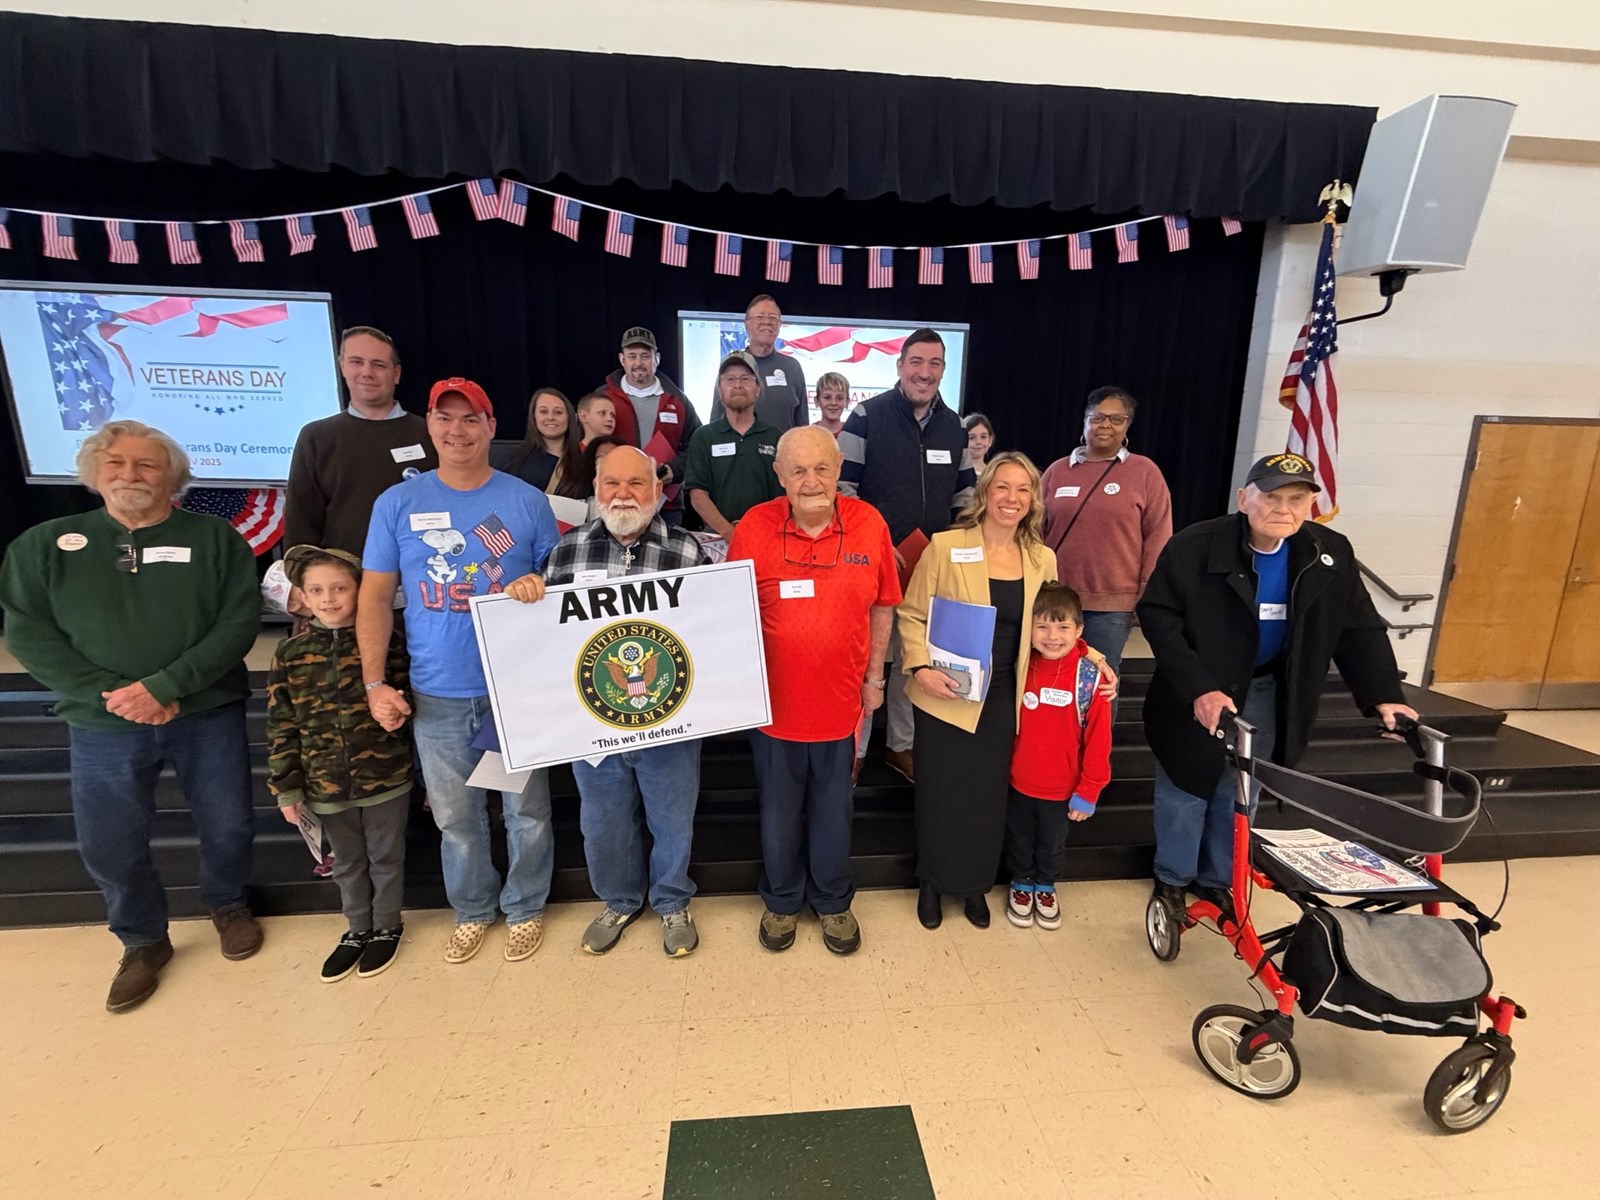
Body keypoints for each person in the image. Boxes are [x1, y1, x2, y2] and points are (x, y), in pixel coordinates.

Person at [0, 421, 263, 1012]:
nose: (130, 475)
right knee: (110, 841)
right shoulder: (44, 545)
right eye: (116, 463)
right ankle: (142, 939)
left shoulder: (216, 540)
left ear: (172, 475)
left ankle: (227, 903)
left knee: (228, 824)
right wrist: (113, 695)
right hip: (103, 722)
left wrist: (166, 685)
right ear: (93, 472)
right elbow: (28, 633)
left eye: (147, 465)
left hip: (206, 710)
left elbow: (238, 622)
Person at [1136, 452, 1417, 918]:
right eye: (1270, 497)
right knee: (1185, 788)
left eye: (1296, 498)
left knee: (1242, 788)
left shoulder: (1330, 554)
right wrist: (1199, 689)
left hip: (1270, 691)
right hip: (1198, 692)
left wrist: (1384, 695)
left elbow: (1359, 628)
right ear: (1245, 499)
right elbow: (1158, 616)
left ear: (1310, 505)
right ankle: (1171, 878)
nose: (1282, 508)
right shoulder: (1194, 546)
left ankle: (1217, 879)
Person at [358, 377, 562, 965]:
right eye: (445, 418)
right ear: (429, 426)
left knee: (525, 812)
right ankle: (473, 909)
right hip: (438, 690)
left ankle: (524, 907)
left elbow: (562, 577)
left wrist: (538, 584)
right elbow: (374, 599)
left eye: (470, 419)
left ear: (491, 428)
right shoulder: (397, 504)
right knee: (456, 817)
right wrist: (375, 683)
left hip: (512, 689)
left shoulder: (525, 501)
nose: (457, 430)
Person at [897, 452, 1112, 930]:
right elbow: (911, 615)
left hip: (1005, 699)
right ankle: (931, 882)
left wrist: (1094, 658)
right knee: (940, 793)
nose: (1011, 498)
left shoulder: (1042, 557)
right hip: (945, 692)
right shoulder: (946, 546)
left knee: (989, 799)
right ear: (985, 492)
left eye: (1022, 490)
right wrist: (920, 666)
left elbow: (1054, 625)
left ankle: (974, 886)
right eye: (1002, 487)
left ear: (1033, 500)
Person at [728, 426, 901, 955]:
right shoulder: (754, 527)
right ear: (778, 475)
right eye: (797, 470)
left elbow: (884, 605)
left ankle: (832, 901)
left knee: (833, 810)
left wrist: (875, 679)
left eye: (822, 468)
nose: (811, 481)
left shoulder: (869, 524)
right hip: (773, 708)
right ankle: (781, 901)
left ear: (839, 470)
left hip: (843, 704)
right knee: (779, 813)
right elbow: (728, 614)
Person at [533, 446, 709, 957]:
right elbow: (541, 640)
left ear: (658, 491)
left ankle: (673, 902)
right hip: (593, 724)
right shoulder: (565, 555)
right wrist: (523, 594)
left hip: (670, 720)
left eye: (637, 483)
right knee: (603, 821)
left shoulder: (688, 551)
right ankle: (619, 900)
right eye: (612, 483)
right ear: (595, 489)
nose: (624, 494)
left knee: (672, 820)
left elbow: (710, 636)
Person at [267, 546, 413, 982]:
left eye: (338, 588)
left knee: (387, 855)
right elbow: (282, 724)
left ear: (359, 591)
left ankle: (388, 924)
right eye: (316, 590)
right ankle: (356, 928)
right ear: (303, 598)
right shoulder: (289, 654)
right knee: (347, 861)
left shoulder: (388, 643)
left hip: (388, 776)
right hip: (325, 784)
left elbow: (409, 703)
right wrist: (287, 788)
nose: (328, 598)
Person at [839, 328, 975, 783]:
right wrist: (875, 546)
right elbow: (844, 493)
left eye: (934, 363)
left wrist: (954, 548)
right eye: (916, 362)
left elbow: (967, 499)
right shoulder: (866, 416)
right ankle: (854, 749)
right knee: (867, 658)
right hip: (872, 568)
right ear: (899, 366)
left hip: (929, 572)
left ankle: (901, 747)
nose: (925, 372)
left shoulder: (955, 426)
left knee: (914, 660)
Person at [1041, 387, 1172, 689]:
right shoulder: (1057, 472)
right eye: (1098, 417)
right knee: (1050, 676)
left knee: (1098, 681)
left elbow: (1158, 537)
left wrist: (1146, 592)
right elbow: (1035, 532)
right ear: (1085, 421)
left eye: (1116, 419)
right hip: (1054, 596)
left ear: (1127, 426)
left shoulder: (1144, 472)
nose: (1105, 425)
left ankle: (1095, 739)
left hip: (1112, 604)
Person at [1003, 582, 1111, 932]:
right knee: (1019, 837)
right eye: (1043, 626)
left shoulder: (1089, 677)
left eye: (1063, 627)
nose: (1052, 636)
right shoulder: (1020, 665)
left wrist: (1090, 788)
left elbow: (1098, 739)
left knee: (1051, 842)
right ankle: (1021, 882)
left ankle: (1045, 886)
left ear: (1079, 630)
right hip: (1018, 780)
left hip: (1062, 787)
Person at [285, 326, 437, 555]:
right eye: (357, 362)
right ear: (342, 366)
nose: (367, 372)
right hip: (344, 580)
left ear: (396, 374)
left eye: (378, 364)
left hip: (423, 574)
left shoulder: (432, 433)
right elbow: (301, 523)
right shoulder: (316, 437)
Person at [601, 326, 701, 525]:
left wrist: (676, 469)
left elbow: (697, 446)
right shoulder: (603, 398)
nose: (638, 363)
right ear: (622, 359)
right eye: (632, 356)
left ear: (657, 359)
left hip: (666, 506)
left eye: (645, 356)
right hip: (617, 501)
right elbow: (587, 445)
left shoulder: (678, 400)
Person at [683, 351, 783, 537]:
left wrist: (754, 530)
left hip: (765, 536)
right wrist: (729, 532)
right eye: (730, 379)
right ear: (719, 390)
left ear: (758, 388)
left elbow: (781, 497)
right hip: (716, 539)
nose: (738, 385)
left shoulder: (775, 438)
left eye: (745, 378)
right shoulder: (703, 437)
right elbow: (697, 494)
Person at [709, 294, 809, 431]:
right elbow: (716, 419)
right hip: (740, 451)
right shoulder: (732, 366)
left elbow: (803, 424)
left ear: (779, 325)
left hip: (783, 452)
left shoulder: (792, 367)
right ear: (746, 325)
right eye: (760, 317)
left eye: (773, 318)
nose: (767, 322)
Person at [491, 387, 586, 498]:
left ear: (570, 418)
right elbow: (492, 502)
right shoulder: (511, 459)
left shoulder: (585, 464)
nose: (550, 417)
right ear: (534, 416)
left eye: (558, 412)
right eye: (543, 411)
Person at [814, 371, 850, 437]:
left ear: (847, 401)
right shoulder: (808, 434)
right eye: (827, 397)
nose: (833, 403)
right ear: (817, 401)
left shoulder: (853, 435)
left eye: (839, 398)